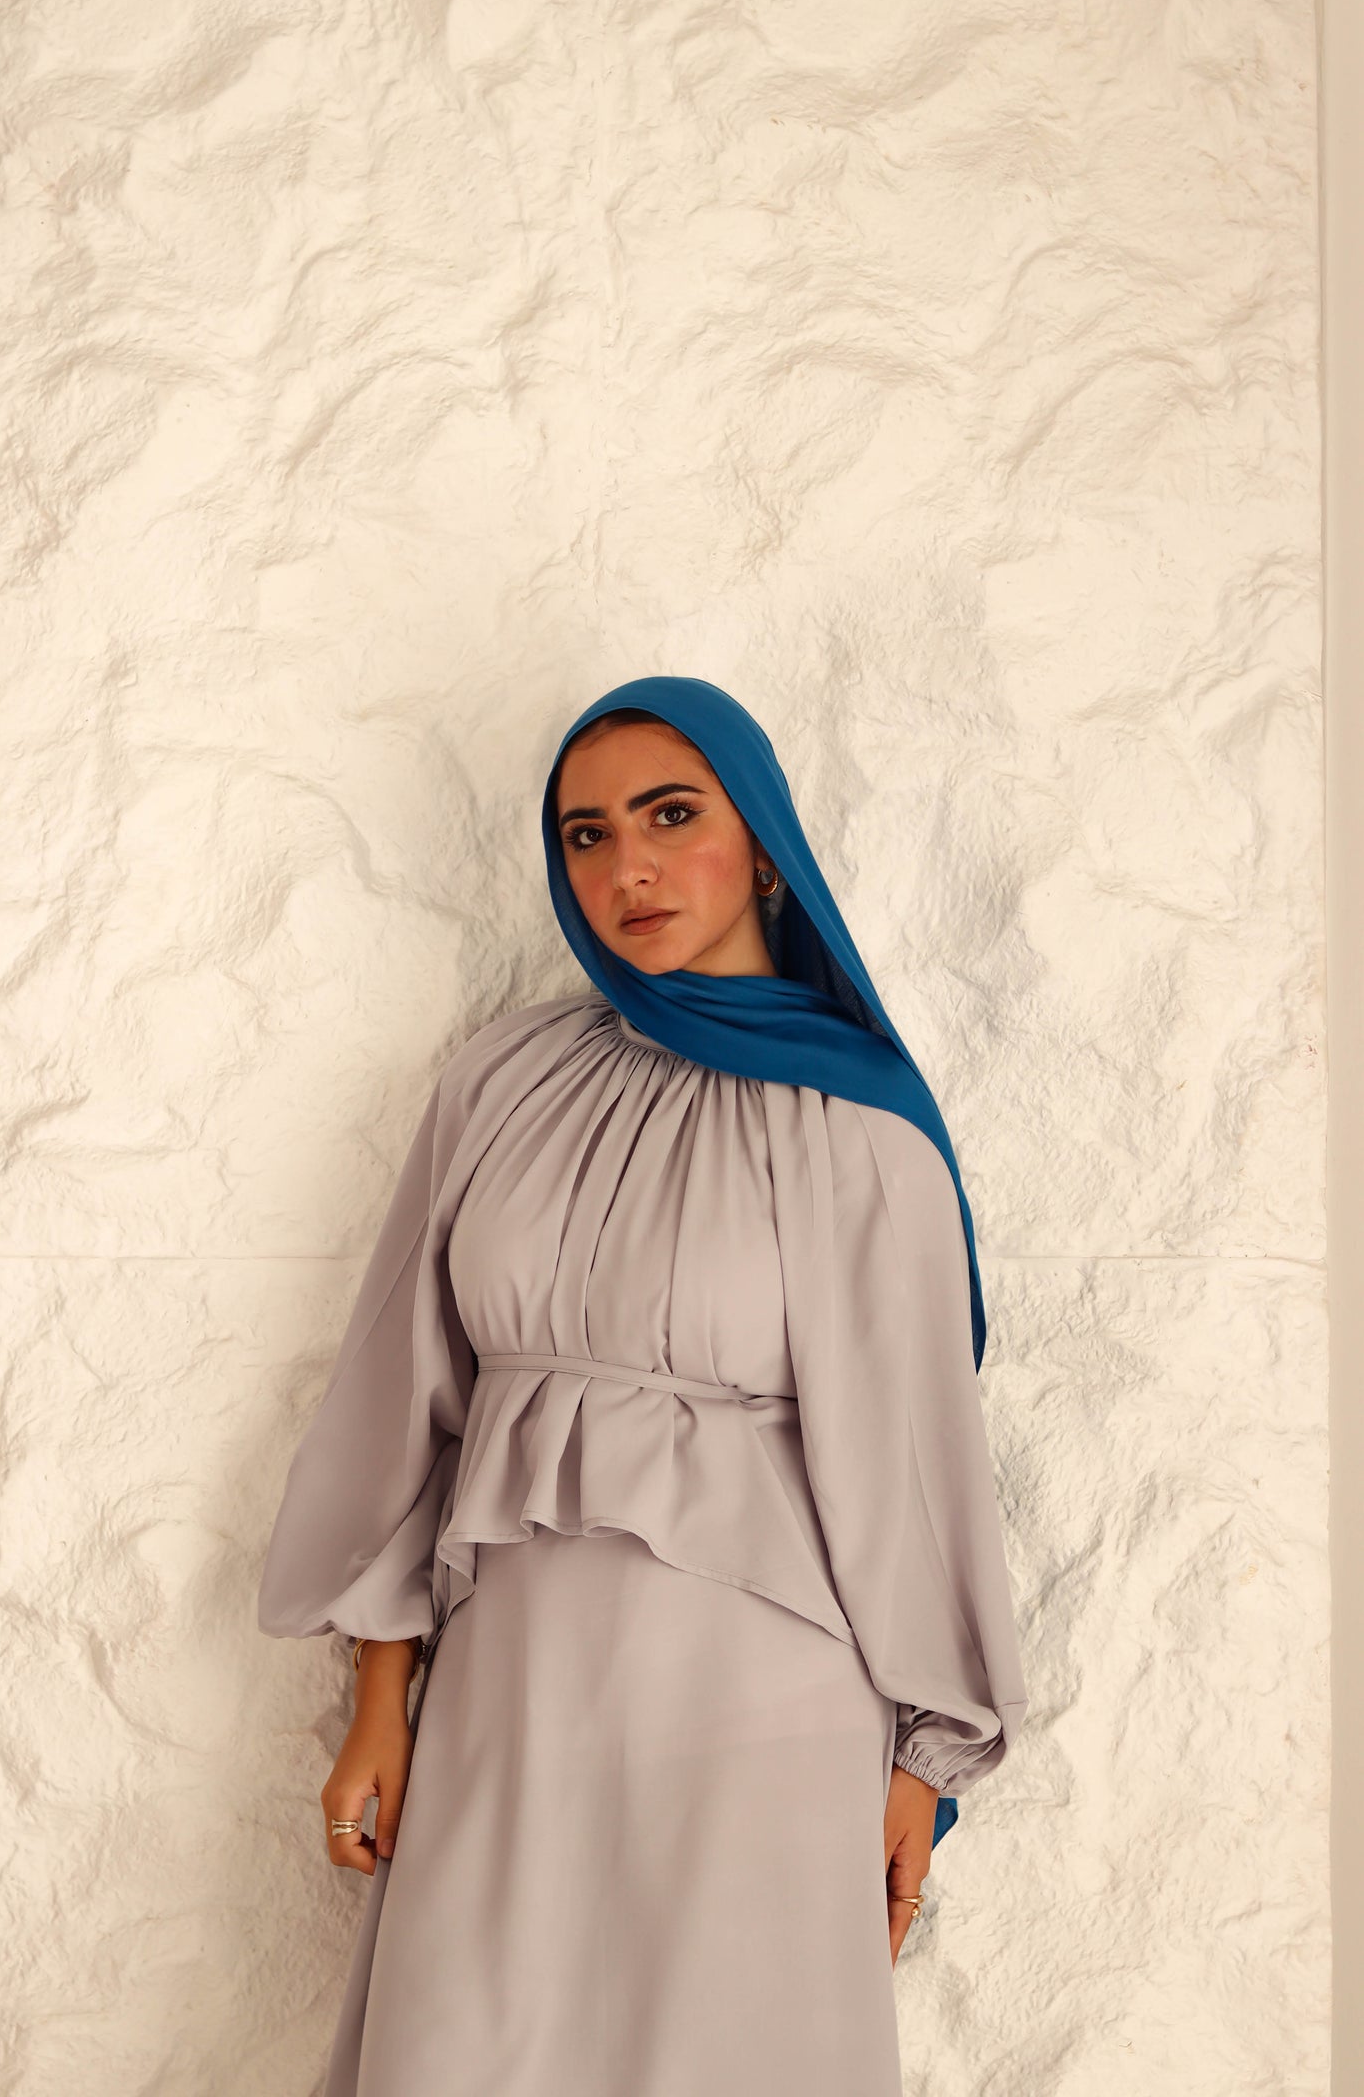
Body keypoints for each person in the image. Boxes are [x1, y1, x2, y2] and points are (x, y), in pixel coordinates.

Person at [256, 675, 1028, 2097]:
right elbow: (405, 1400)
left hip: (765, 1706)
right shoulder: (502, 1086)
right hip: (515, 1689)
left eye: (672, 817)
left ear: (764, 848)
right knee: (467, 2048)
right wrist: (379, 1698)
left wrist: (922, 1768)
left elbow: (914, 1472)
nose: (630, 868)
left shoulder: (858, 1128)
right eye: (588, 834)